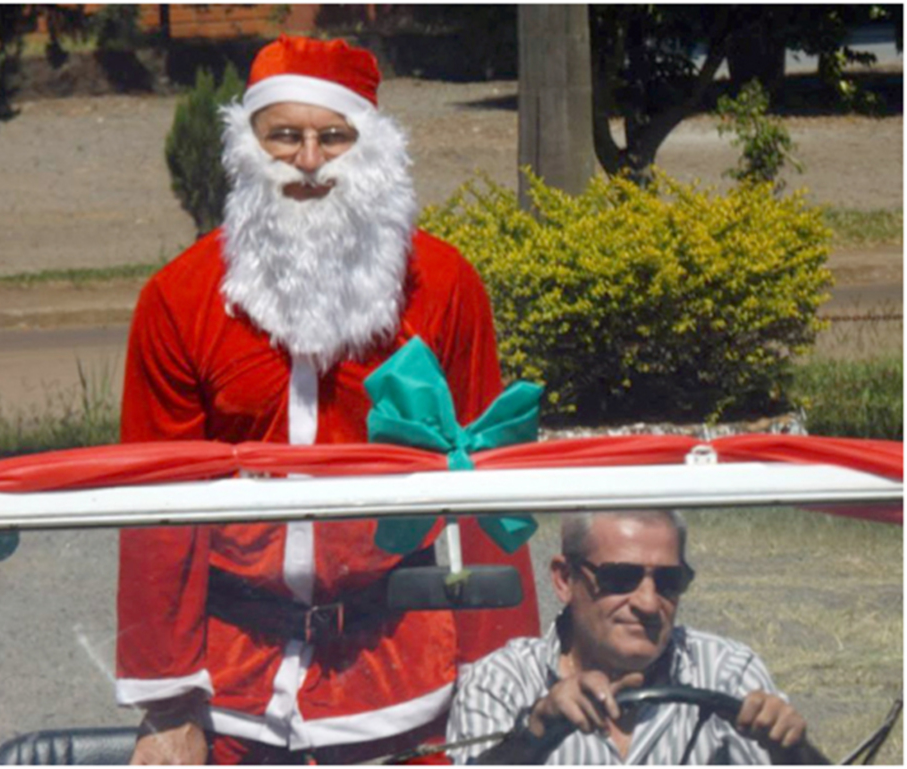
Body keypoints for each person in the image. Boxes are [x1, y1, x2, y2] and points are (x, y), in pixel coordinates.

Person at [115, 35, 540, 764]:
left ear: (370, 149)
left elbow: (488, 487)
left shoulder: (442, 286)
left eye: (333, 137)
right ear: (248, 147)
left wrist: (503, 673)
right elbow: (160, 510)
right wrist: (168, 701)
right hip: (234, 687)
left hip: (403, 670)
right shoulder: (178, 299)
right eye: (284, 136)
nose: (309, 161)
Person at [447, 510, 817, 765]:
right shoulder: (501, 683)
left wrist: (789, 750)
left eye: (669, 582)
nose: (647, 602)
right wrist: (535, 732)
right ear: (564, 580)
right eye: (620, 578)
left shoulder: (728, 673)